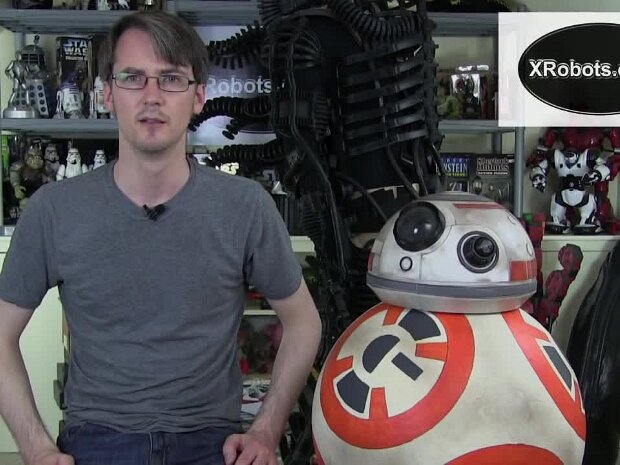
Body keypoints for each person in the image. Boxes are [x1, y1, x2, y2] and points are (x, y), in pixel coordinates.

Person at [0, 10, 322, 465]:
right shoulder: (53, 211)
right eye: (133, 78)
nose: (152, 96)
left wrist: (266, 432)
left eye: (171, 79)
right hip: (99, 443)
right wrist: (35, 447)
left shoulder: (245, 206)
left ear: (198, 96)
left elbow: (304, 323)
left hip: (212, 443)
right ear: (108, 94)